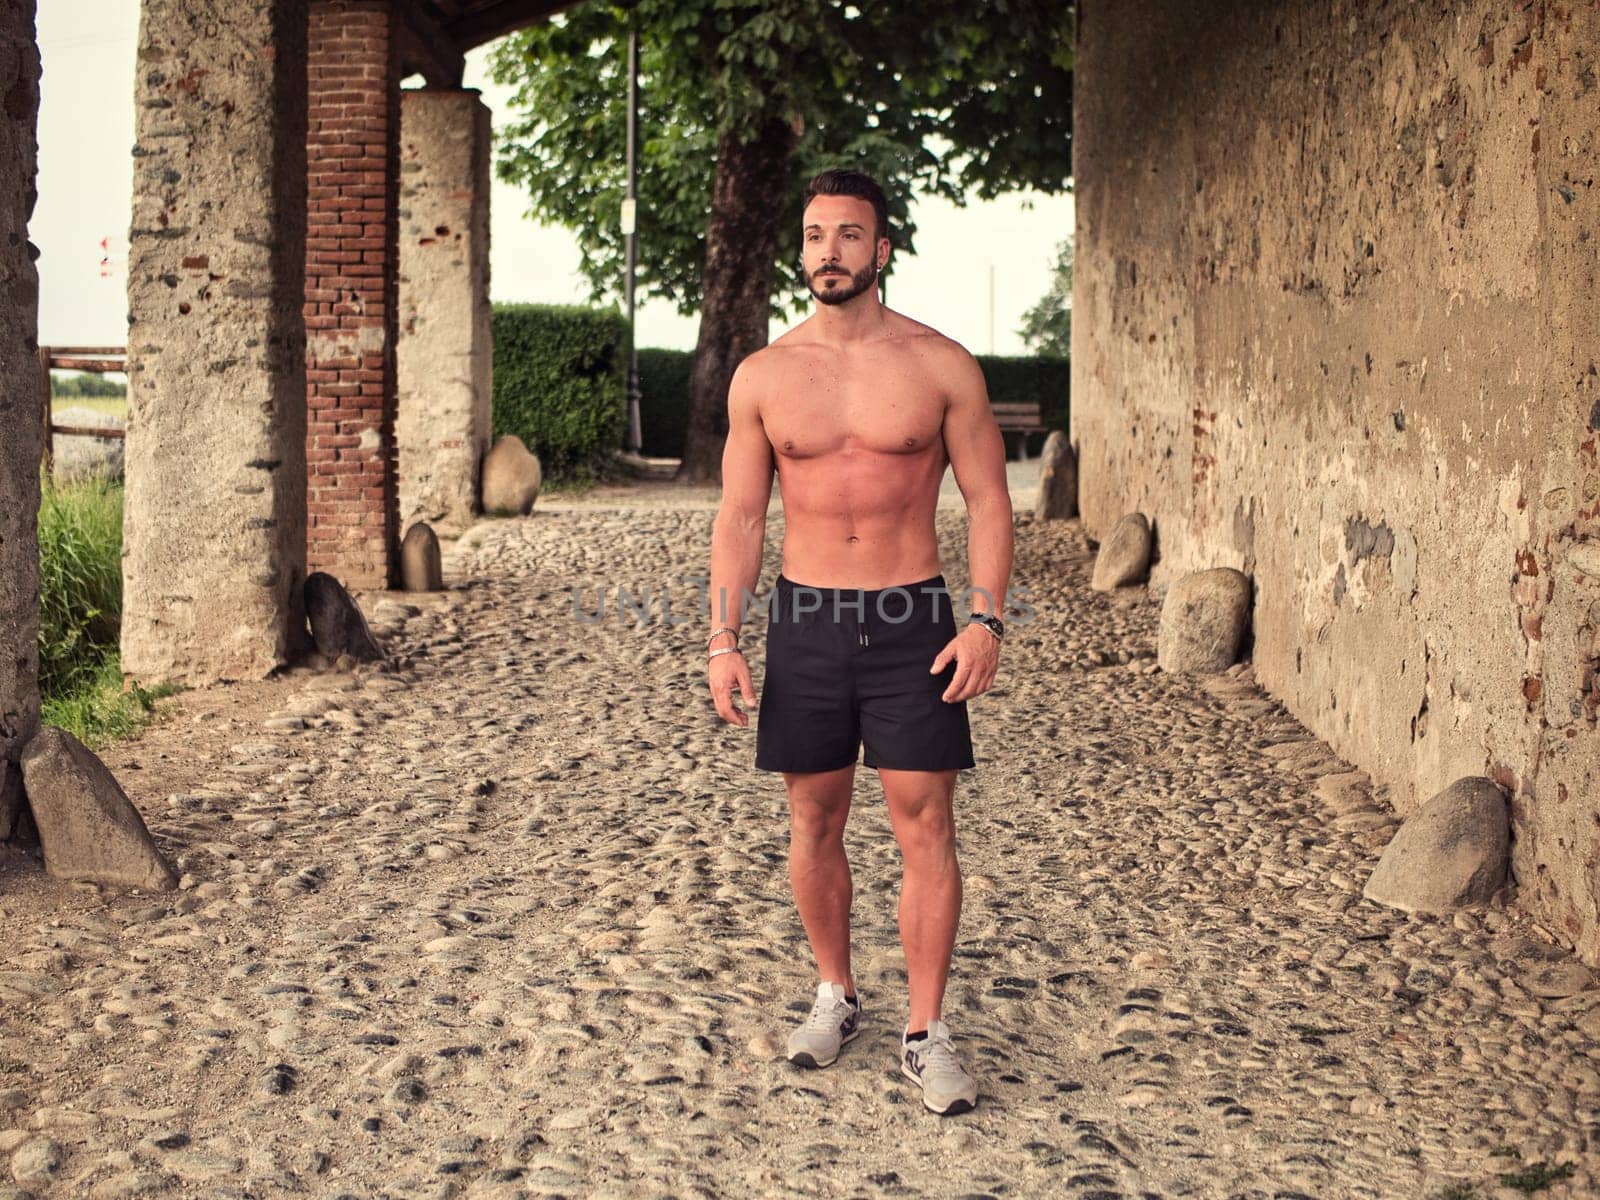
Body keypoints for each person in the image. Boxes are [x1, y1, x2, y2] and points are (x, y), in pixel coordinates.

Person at [705, 169, 1014, 1116]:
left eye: (848, 234)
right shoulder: (762, 376)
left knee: (925, 822)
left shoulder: (941, 365)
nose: (827, 251)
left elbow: (992, 499)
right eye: (813, 235)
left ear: (883, 250)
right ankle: (837, 993)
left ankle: (927, 1032)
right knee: (815, 821)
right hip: (806, 618)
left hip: (911, 619)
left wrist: (986, 619)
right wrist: (723, 636)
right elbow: (742, 515)